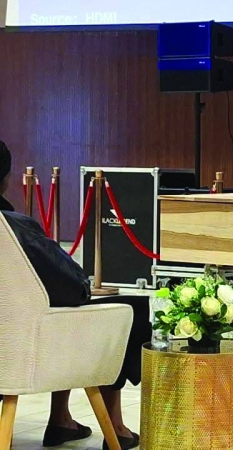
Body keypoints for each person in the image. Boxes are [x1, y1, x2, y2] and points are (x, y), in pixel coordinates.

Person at [0, 142, 145, 450]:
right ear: (6, 179)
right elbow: (74, 286)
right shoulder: (14, 227)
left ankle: (62, 419)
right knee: (129, 309)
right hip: (16, 350)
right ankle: (116, 428)